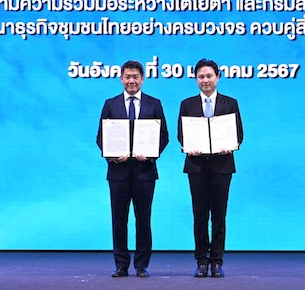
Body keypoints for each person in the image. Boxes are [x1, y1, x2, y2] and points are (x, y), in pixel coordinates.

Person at [96, 60, 169, 278]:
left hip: (145, 171)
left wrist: (150, 154)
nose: (131, 81)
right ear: (121, 79)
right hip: (118, 172)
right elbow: (101, 137)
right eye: (127, 77)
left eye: (135, 77)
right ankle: (121, 264)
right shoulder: (110, 104)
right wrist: (113, 156)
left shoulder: (154, 104)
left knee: (143, 219)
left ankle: (141, 265)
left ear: (142, 79)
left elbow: (163, 136)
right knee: (119, 219)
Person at [177, 58, 244, 278]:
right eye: (201, 77)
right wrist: (189, 147)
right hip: (197, 166)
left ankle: (216, 261)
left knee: (219, 215)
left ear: (217, 77)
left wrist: (231, 145)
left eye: (209, 76)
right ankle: (201, 261)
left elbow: (239, 133)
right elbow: (181, 134)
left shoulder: (230, 103)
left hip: (222, 166)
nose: (205, 80)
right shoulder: (187, 104)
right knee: (199, 215)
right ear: (196, 79)